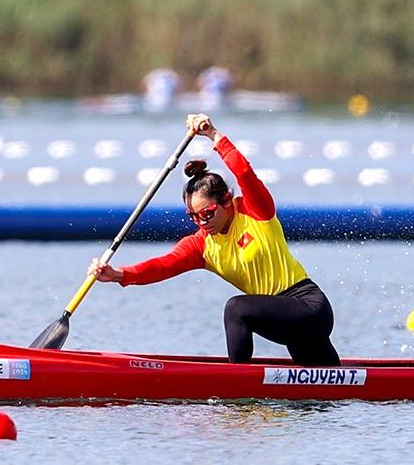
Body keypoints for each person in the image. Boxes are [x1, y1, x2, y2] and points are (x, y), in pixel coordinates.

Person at [88, 113, 341, 366]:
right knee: (326, 390)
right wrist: (119, 274)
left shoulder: (255, 210)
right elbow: (162, 266)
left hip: (309, 307)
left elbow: (242, 171)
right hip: (284, 322)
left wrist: (212, 134)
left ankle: (237, 385)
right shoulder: (201, 246)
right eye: (194, 216)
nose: (201, 222)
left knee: (236, 309)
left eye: (207, 213)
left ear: (227, 201)